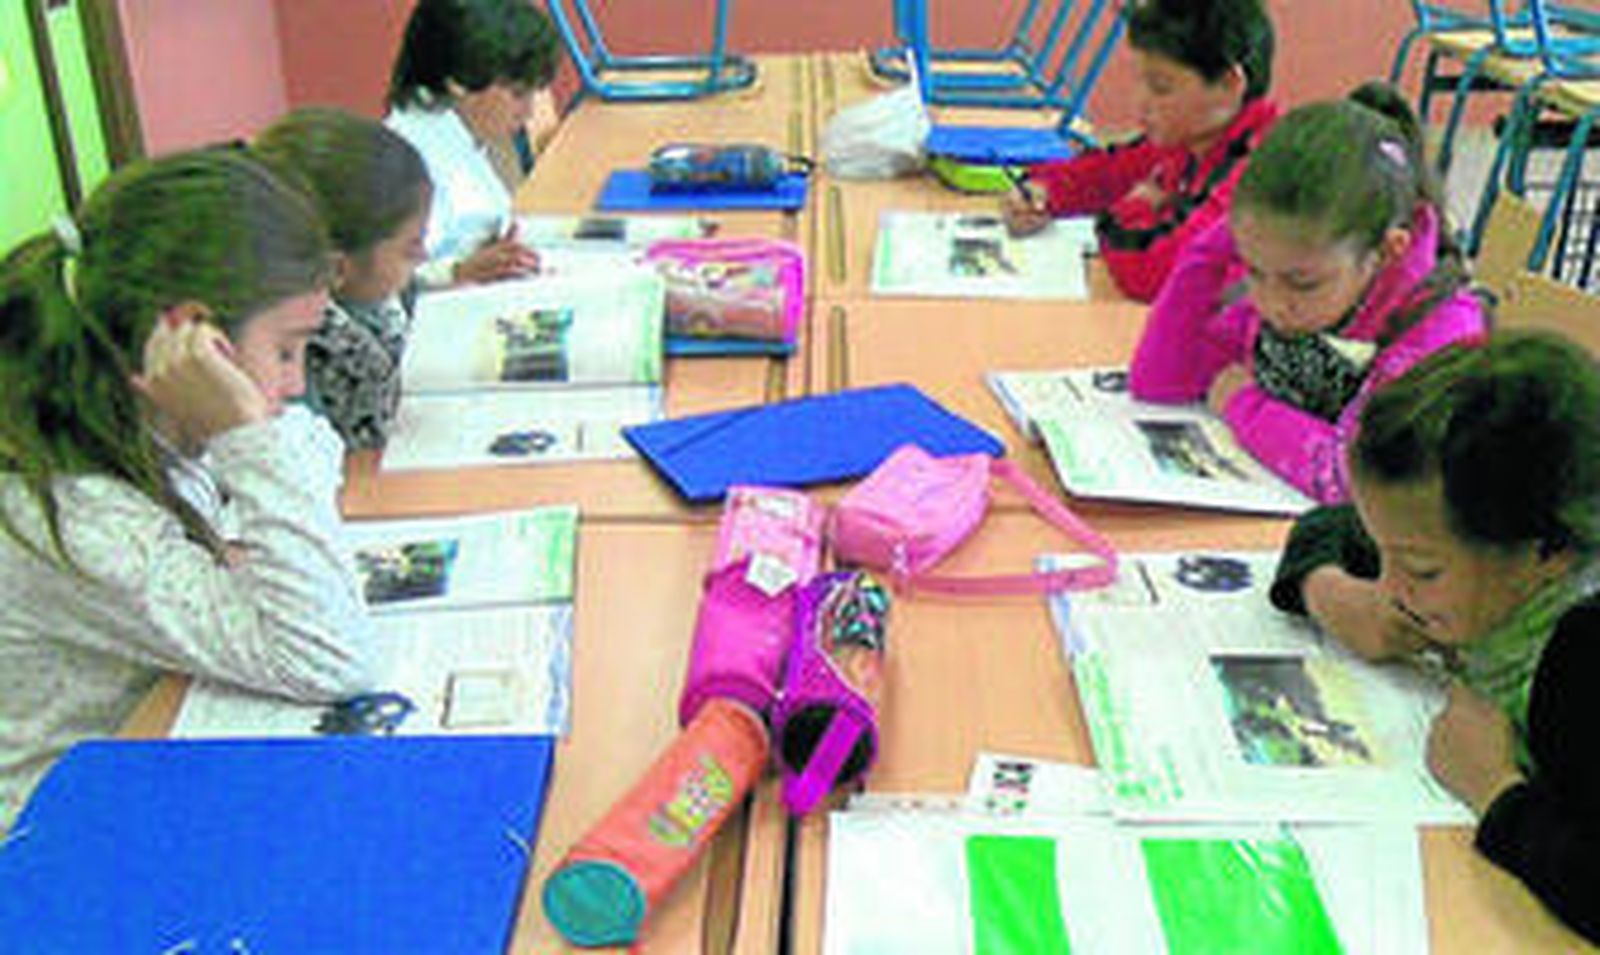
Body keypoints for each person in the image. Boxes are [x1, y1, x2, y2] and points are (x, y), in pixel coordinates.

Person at [0, 149, 377, 833]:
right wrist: (248, 436)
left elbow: (315, 437)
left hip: (152, 763)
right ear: (192, 337)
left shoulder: (134, 421)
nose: (294, 385)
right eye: (286, 350)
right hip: (61, 842)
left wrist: (253, 435)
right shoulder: (78, 513)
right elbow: (328, 656)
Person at [1268, 333, 1600, 943]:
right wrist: (1330, 591)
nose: (1393, 587)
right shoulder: (1463, 519)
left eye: (1420, 572)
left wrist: (1496, 791)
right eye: (1386, 557)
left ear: (1548, 552)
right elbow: (1327, 527)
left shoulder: (1581, 657)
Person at [1128, 83, 1489, 503]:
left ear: (1388, 252)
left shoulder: (1442, 331)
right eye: (1254, 271)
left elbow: (1353, 477)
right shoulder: (1297, 275)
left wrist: (1243, 404)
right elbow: (1161, 380)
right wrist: (1209, 251)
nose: (1272, 304)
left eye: (1302, 283)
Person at [1001, 0, 1278, 302]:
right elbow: (1107, 171)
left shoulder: (1255, 176)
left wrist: (1130, 209)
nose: (1141, 102)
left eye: (1161, 87)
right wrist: (1041, 191)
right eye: (1141, 82)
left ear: (1229, 84)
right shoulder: (1191, 138)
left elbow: (1154, 274)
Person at [255, 107, 431, 449]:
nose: (423, 257)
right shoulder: (300, 355)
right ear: (336, 270)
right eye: (411, 249)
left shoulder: (363, 297)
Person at [385, 0, 561, 287]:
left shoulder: (457, 131)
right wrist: (458, 273)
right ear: (459, 82)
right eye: (518, 94)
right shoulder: (410, 163)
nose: (529, 112)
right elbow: (381, 285)